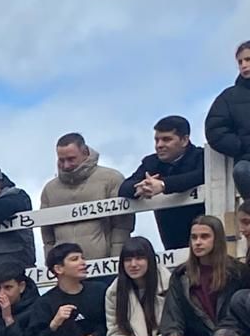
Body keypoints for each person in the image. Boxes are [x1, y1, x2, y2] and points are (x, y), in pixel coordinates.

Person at [39, 133, 132, 264]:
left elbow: (121, 226)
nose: (66, 165)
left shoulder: (111, 179)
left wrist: (116, 260)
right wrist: (51, 263)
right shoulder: (49, 189)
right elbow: (47, 236)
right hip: (65, 270)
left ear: (85, 152)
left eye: (71, 159)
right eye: (61, 160)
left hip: (103, 266)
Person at [119, 116, 206, 251]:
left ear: (184, 140)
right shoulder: (151, 162)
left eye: (166, 139)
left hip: (203, 236)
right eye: (157, 140)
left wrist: (163, 185)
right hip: (170, 241)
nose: (159, 145)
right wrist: (142, 187)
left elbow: (199, 176)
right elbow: (124, 188)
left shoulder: (202, 157)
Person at [207, 42, 250, 202]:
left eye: (248, 59)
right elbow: (214, 129)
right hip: (247, 160)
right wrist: (241, 146)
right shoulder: (229, 97)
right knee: (241, 171)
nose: (244, 65)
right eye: (240, 62)